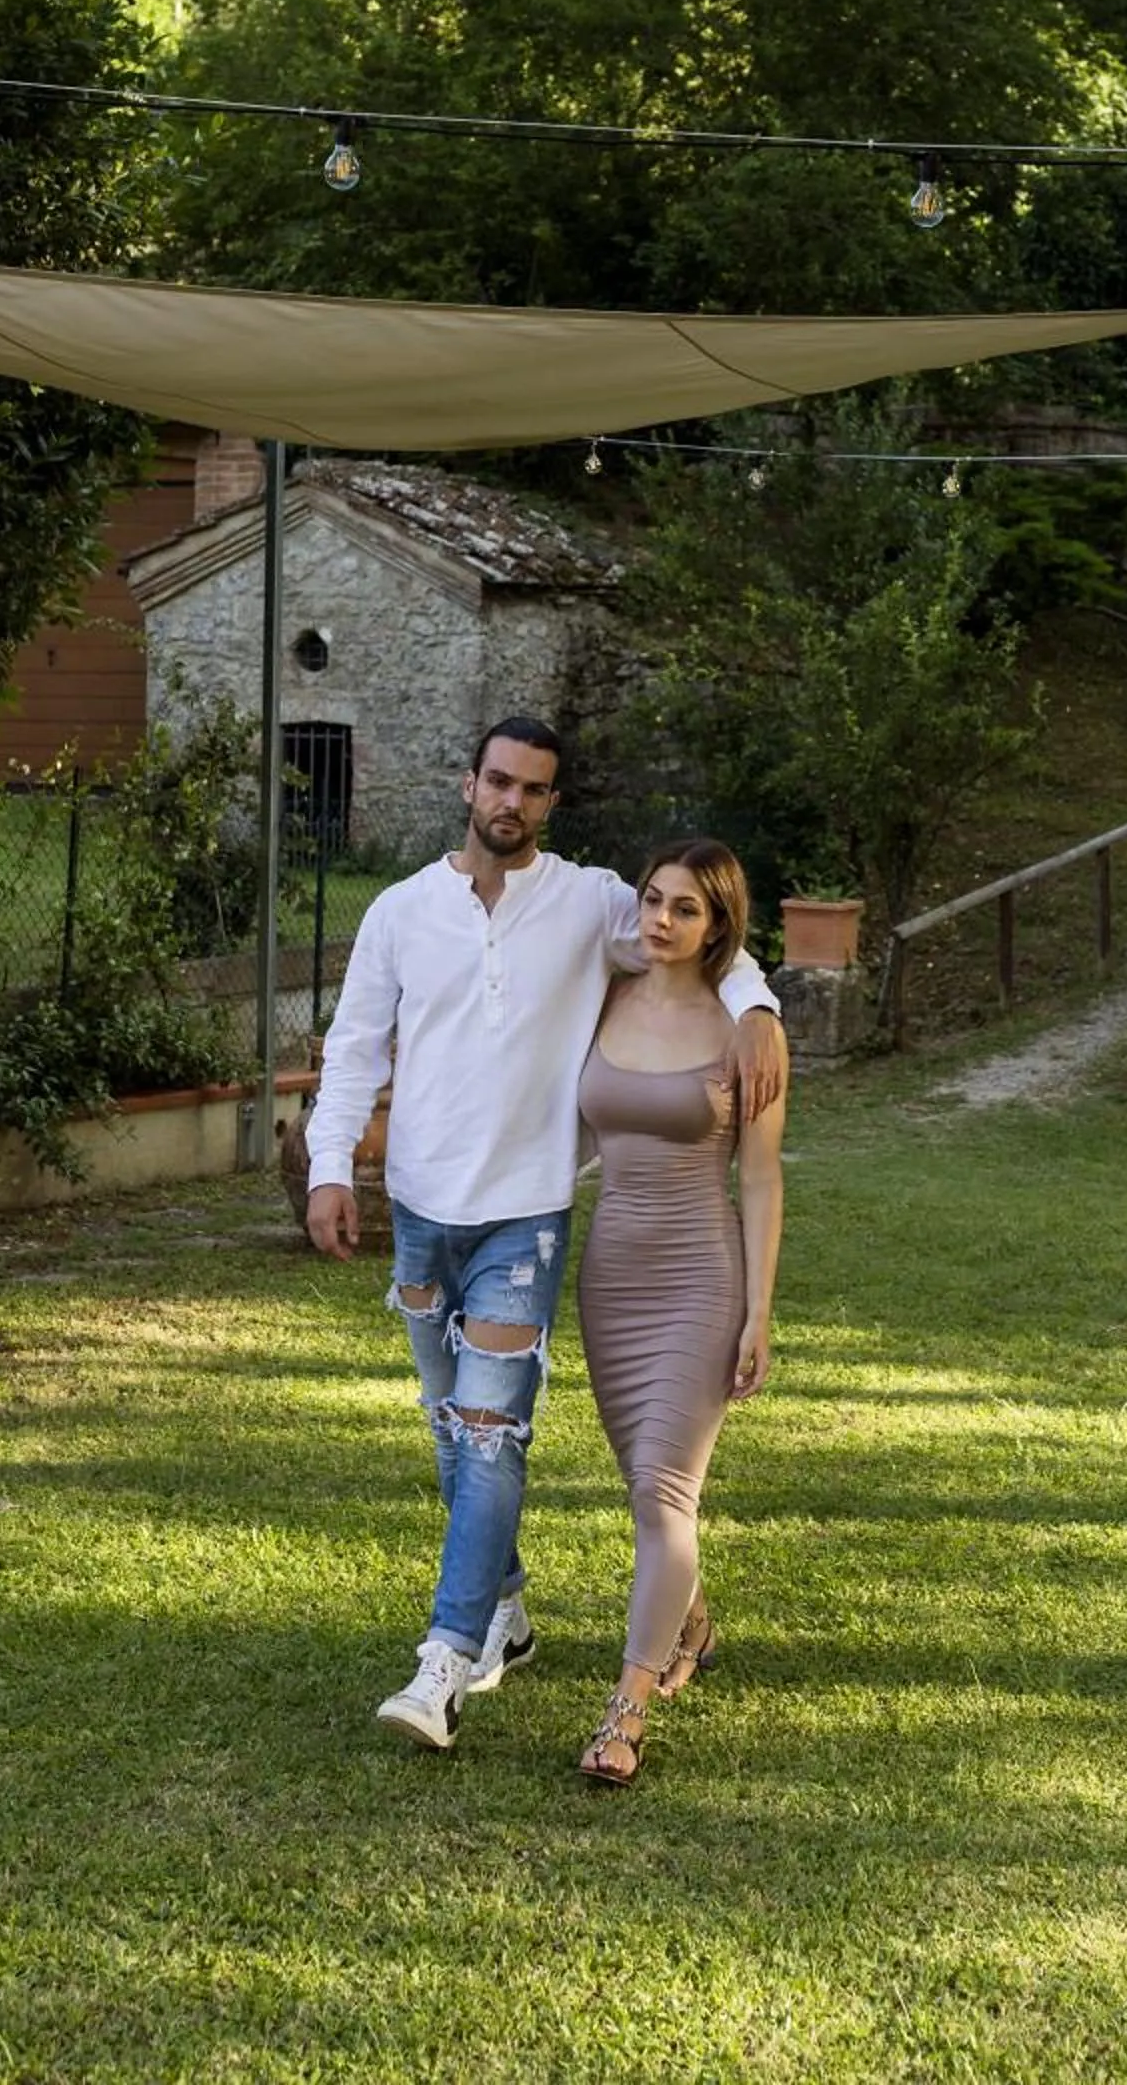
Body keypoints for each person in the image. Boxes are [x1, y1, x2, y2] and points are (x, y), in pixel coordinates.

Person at [304, 718, 787, 1753]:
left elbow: (701, 933)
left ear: (551, 804)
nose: (510, 802)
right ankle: (510, 1614)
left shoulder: (587, 901)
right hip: (421, 1217)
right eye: (496, 781)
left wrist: (758, 1005)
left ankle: (446, 1657)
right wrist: (330, 1167)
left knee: (487, 1439)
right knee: (452, 1434)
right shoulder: (398, 913)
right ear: (467, 781)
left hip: (524, 1219)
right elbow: (353, 1051)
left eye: (532, 789)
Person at [573, 836, 785, 1787]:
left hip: (702, 1278)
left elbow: (763, 1177)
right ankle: (690, 1624)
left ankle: (625, 1715)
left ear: (719, 928)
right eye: (653, 900)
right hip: (610, 1277)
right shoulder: (601, 995)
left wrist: (758, 1314)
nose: (660, 919)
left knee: (666, 1495)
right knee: (644, 1491)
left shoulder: (747, 1031)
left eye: (685, 909)